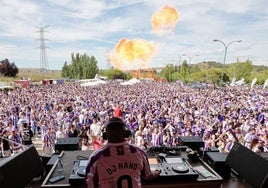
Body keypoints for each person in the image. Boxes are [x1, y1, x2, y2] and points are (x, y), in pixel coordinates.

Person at [85, 117, 161, 188]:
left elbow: (90, 183)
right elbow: (147, 175)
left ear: (105, 135)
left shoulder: (96, 157)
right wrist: (156, 173)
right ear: (126, 133)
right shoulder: (139, 153)